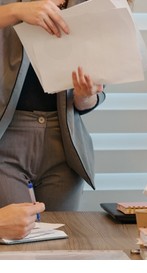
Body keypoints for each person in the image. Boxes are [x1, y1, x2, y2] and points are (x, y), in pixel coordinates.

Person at [0, 0, 105, 211]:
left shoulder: (90, 6)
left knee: (63, 239)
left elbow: (91, 98)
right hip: (6, 137)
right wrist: (16, 10)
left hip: (65, 145)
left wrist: (85, 96)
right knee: (13, 237)